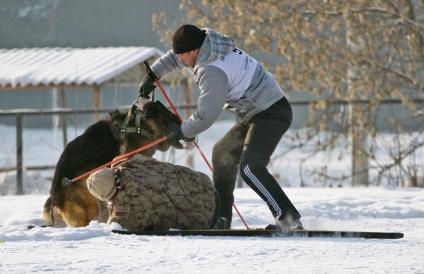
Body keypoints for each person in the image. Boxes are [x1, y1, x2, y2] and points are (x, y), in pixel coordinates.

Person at [139, 24, 302, 230]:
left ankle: (289, 219)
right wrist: (152, 75)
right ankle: (221, 219)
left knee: (250, 168)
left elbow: (206, 115)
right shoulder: (208, 43)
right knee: (222, 153)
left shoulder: (211, 70)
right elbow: (173, 56)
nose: (180, 60)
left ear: (194, 51)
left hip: (271, 113)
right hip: (256, 112)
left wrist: (182, 132)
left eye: (183, 55)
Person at [86, 154, 217, 231]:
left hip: (205, 216)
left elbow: (115, 228)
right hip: (205, 184)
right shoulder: (135, 162)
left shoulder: (128, 207)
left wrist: (112, 208)